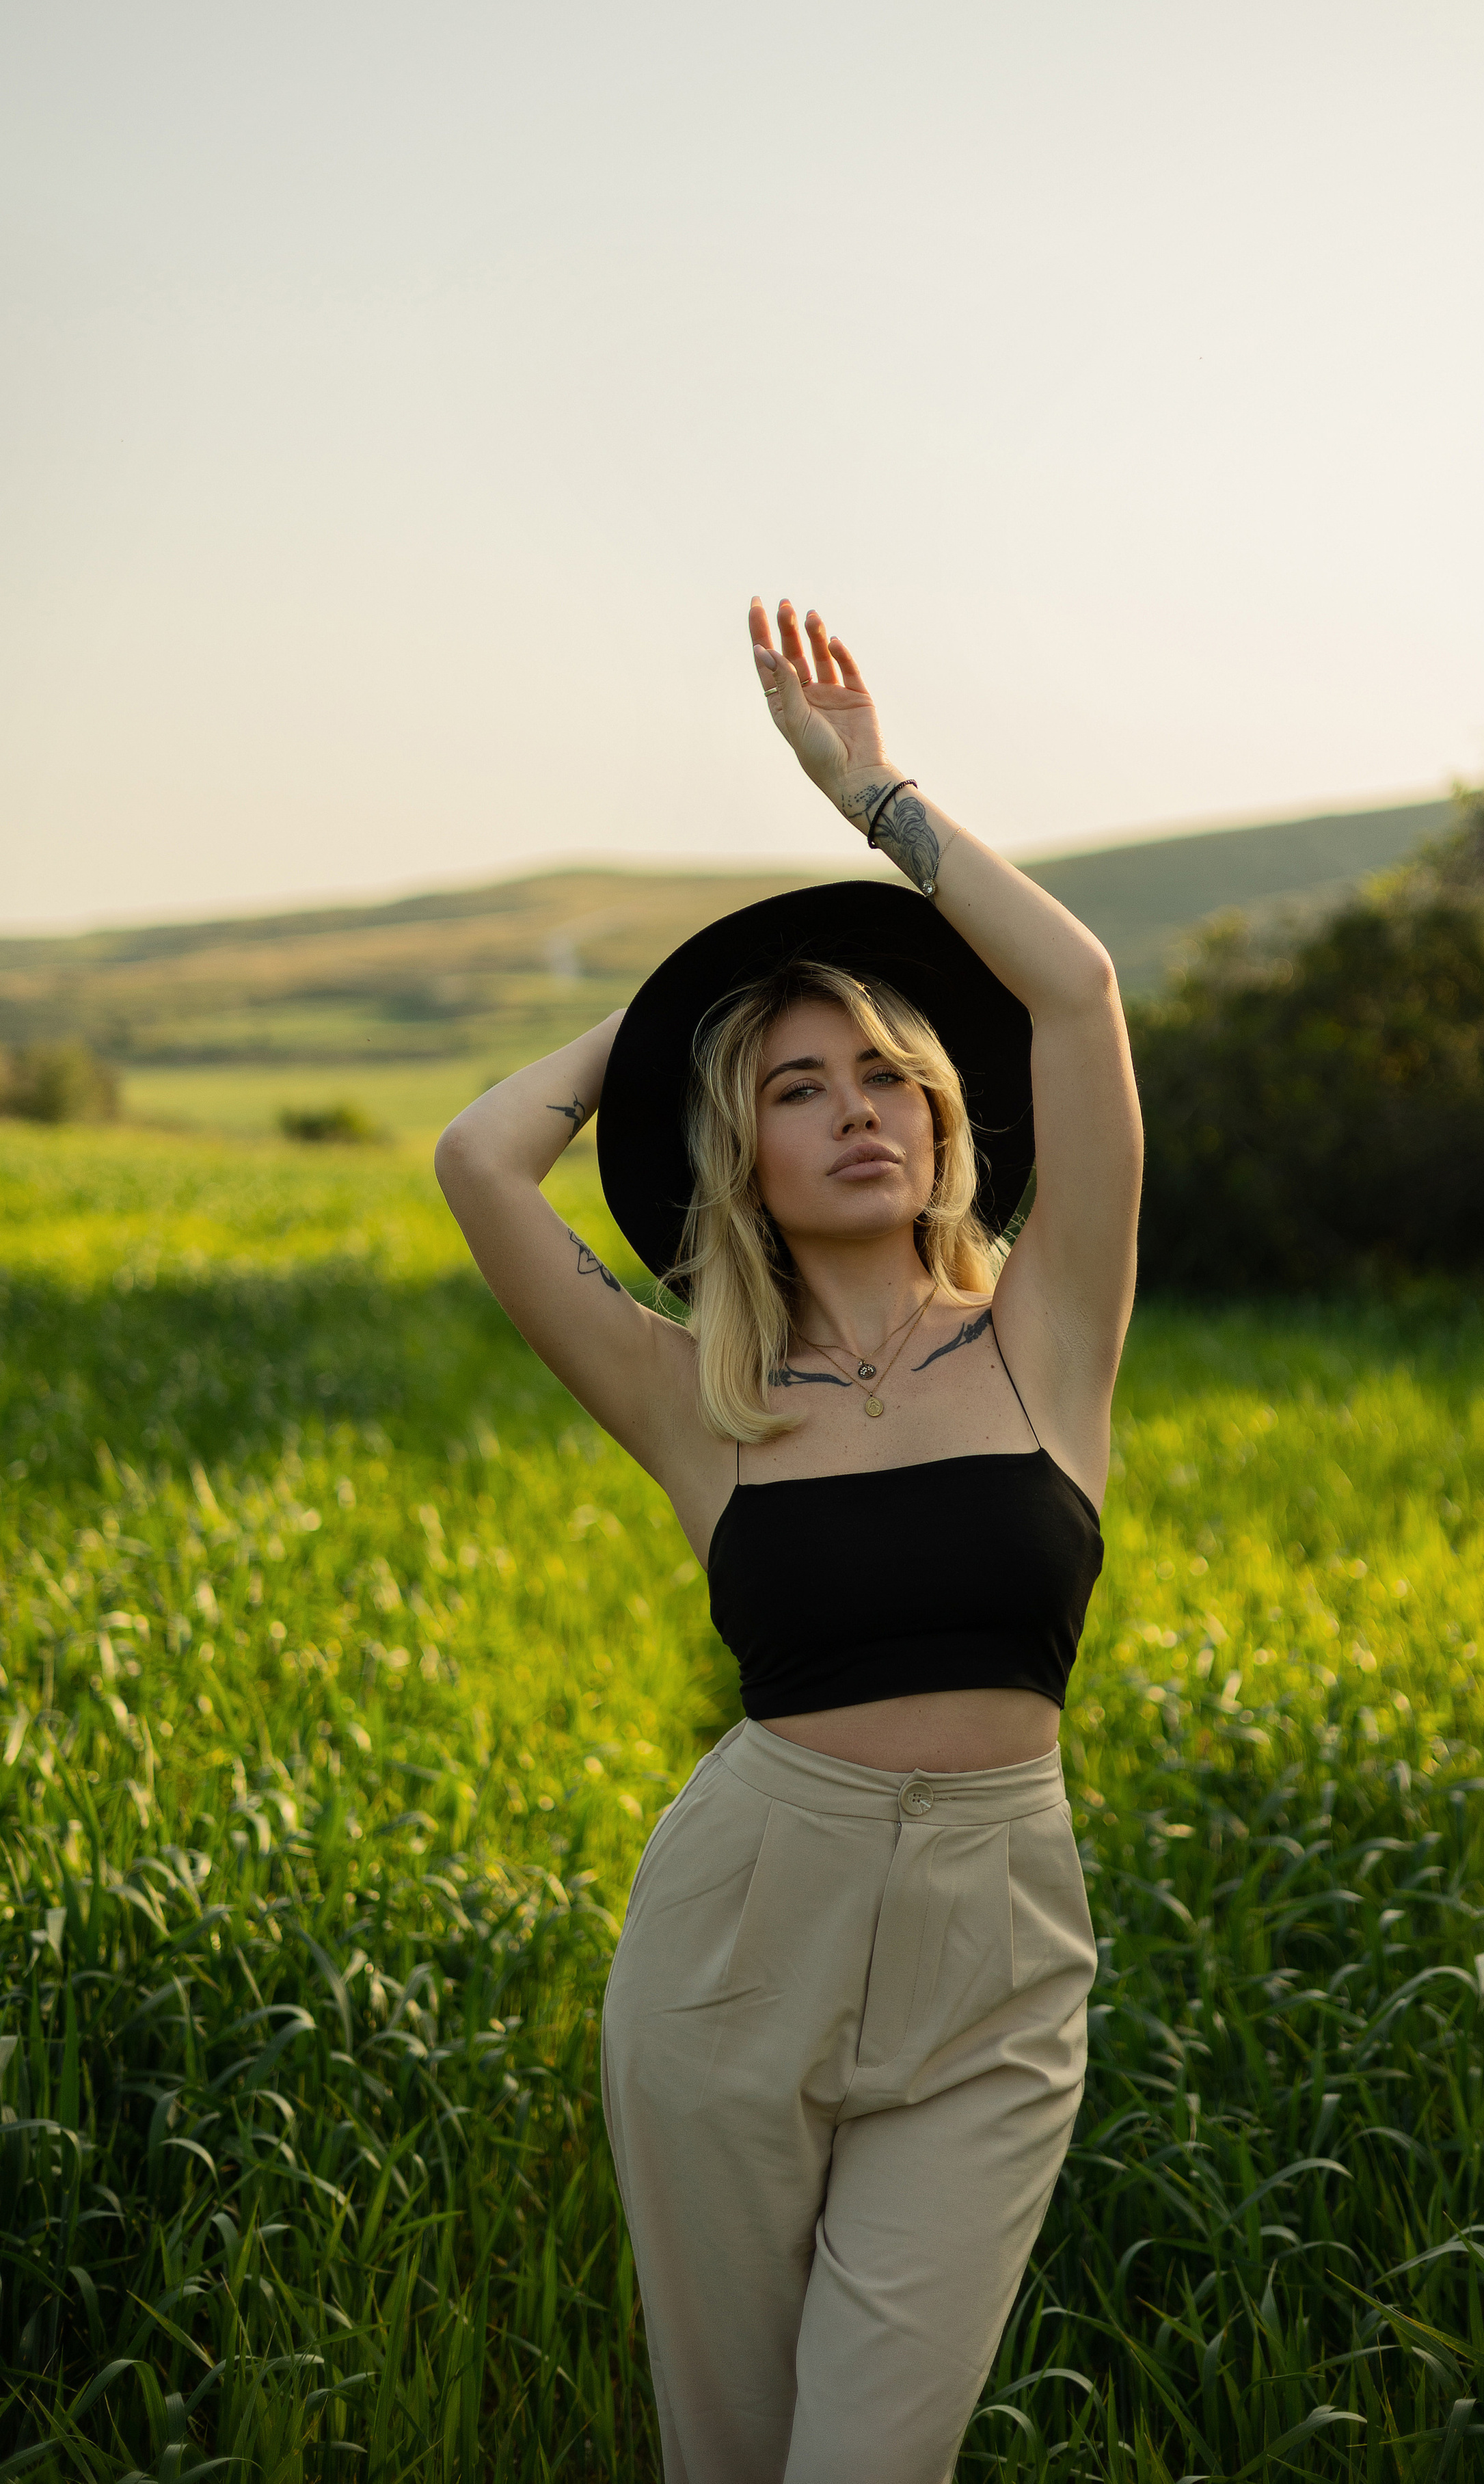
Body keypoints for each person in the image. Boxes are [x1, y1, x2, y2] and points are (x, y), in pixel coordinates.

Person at [434, 598, 1143, 2484]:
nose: (860, 1114)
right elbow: (480, 1160)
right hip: (744, 1930)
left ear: (944, 1115)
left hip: (999, 1951)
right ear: (732, 1147)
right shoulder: (698, 1397)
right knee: (734, 2453)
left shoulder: (1046, 1334)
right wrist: (689, 1002)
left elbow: (1078, 995)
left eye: (889, 1077)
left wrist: (876, 802)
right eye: (797, 1089)